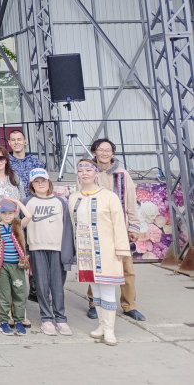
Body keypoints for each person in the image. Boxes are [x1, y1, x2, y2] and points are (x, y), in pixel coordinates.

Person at [70, 157, 130, 346]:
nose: (85, 174)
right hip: (86, 252)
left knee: (107, 290)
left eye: (88, 170)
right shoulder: (74, 198)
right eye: (81, 170)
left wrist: (121, 248)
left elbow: (119, 224)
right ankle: (101, 325)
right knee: (95, 290)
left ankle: (110, 329)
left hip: (107, 250)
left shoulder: (109, 197)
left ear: (95, 173)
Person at [89, 137, 145, 322]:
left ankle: (129, 305)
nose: (104, 153)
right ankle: (94, 303)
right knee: (96, 267)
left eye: (108, 150)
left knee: (126, 268)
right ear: (94, 152)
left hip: (120, 229)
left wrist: (133, 226)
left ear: (112, 153)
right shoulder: (89, 172)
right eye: (101, 149)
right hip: (98, 229)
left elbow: (131, 202)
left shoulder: (122, 174)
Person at [16, 167, 74, 336]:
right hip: (36, 248)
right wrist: (25, 251)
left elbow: (68, 229)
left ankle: (61, 318)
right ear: (31, 185)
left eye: (43, 181)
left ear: (49, 183)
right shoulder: (27, 202)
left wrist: (68, 253)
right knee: (41, 285)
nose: (40, 184)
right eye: (36, 181)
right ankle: (46, 318)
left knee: (57, 285)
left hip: (57, 248)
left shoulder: (61, 202)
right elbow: (21, 229)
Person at [0, 197, 29, 336]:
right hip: (3, 267)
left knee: (19, 293)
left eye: (10, 213)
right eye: (4, 213)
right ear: (0, 213)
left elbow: (29, 216)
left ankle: (19, 321)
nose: (8, 216)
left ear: (15, 213)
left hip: (17, 266)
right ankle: (5, 321)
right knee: (4, 295)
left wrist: (17, 202)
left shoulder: (18, 225)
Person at [7, 130, 45, 194]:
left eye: (19, 139)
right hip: (13, 198)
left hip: (32, 198)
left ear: (25, 142)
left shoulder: (35, 162)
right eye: (13, 140)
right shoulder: (4, 162)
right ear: (9, 142)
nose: (16, 142)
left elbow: (43, 181)